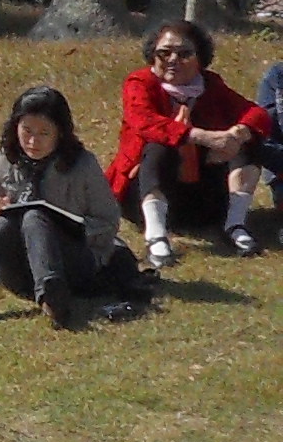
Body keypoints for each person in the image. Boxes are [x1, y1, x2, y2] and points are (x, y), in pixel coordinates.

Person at [0, 85, 143, 329]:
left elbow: (108, 220)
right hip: (18, 272)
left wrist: (69, 227)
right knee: (11, 220)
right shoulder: (0, 161)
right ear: (14, 126)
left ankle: (53, 297)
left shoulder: (83, 165)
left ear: (60, 133)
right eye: (26, 131)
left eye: (44, 133)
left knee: (34, 217)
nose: (33, 141)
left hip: (73, 265)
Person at [111, 21, 274, 272]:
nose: (172, 60)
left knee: (248, 143)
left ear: (200, 58)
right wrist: (202, 137)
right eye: (164, 53)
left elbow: (256, 113)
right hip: (144, 193)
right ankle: (156, 237)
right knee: (159, 146)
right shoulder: (140, 83)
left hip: (202, 197)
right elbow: (144, 121)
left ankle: (235, 225)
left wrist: (238, 133)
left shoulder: (210, 85)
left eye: (184, 53)